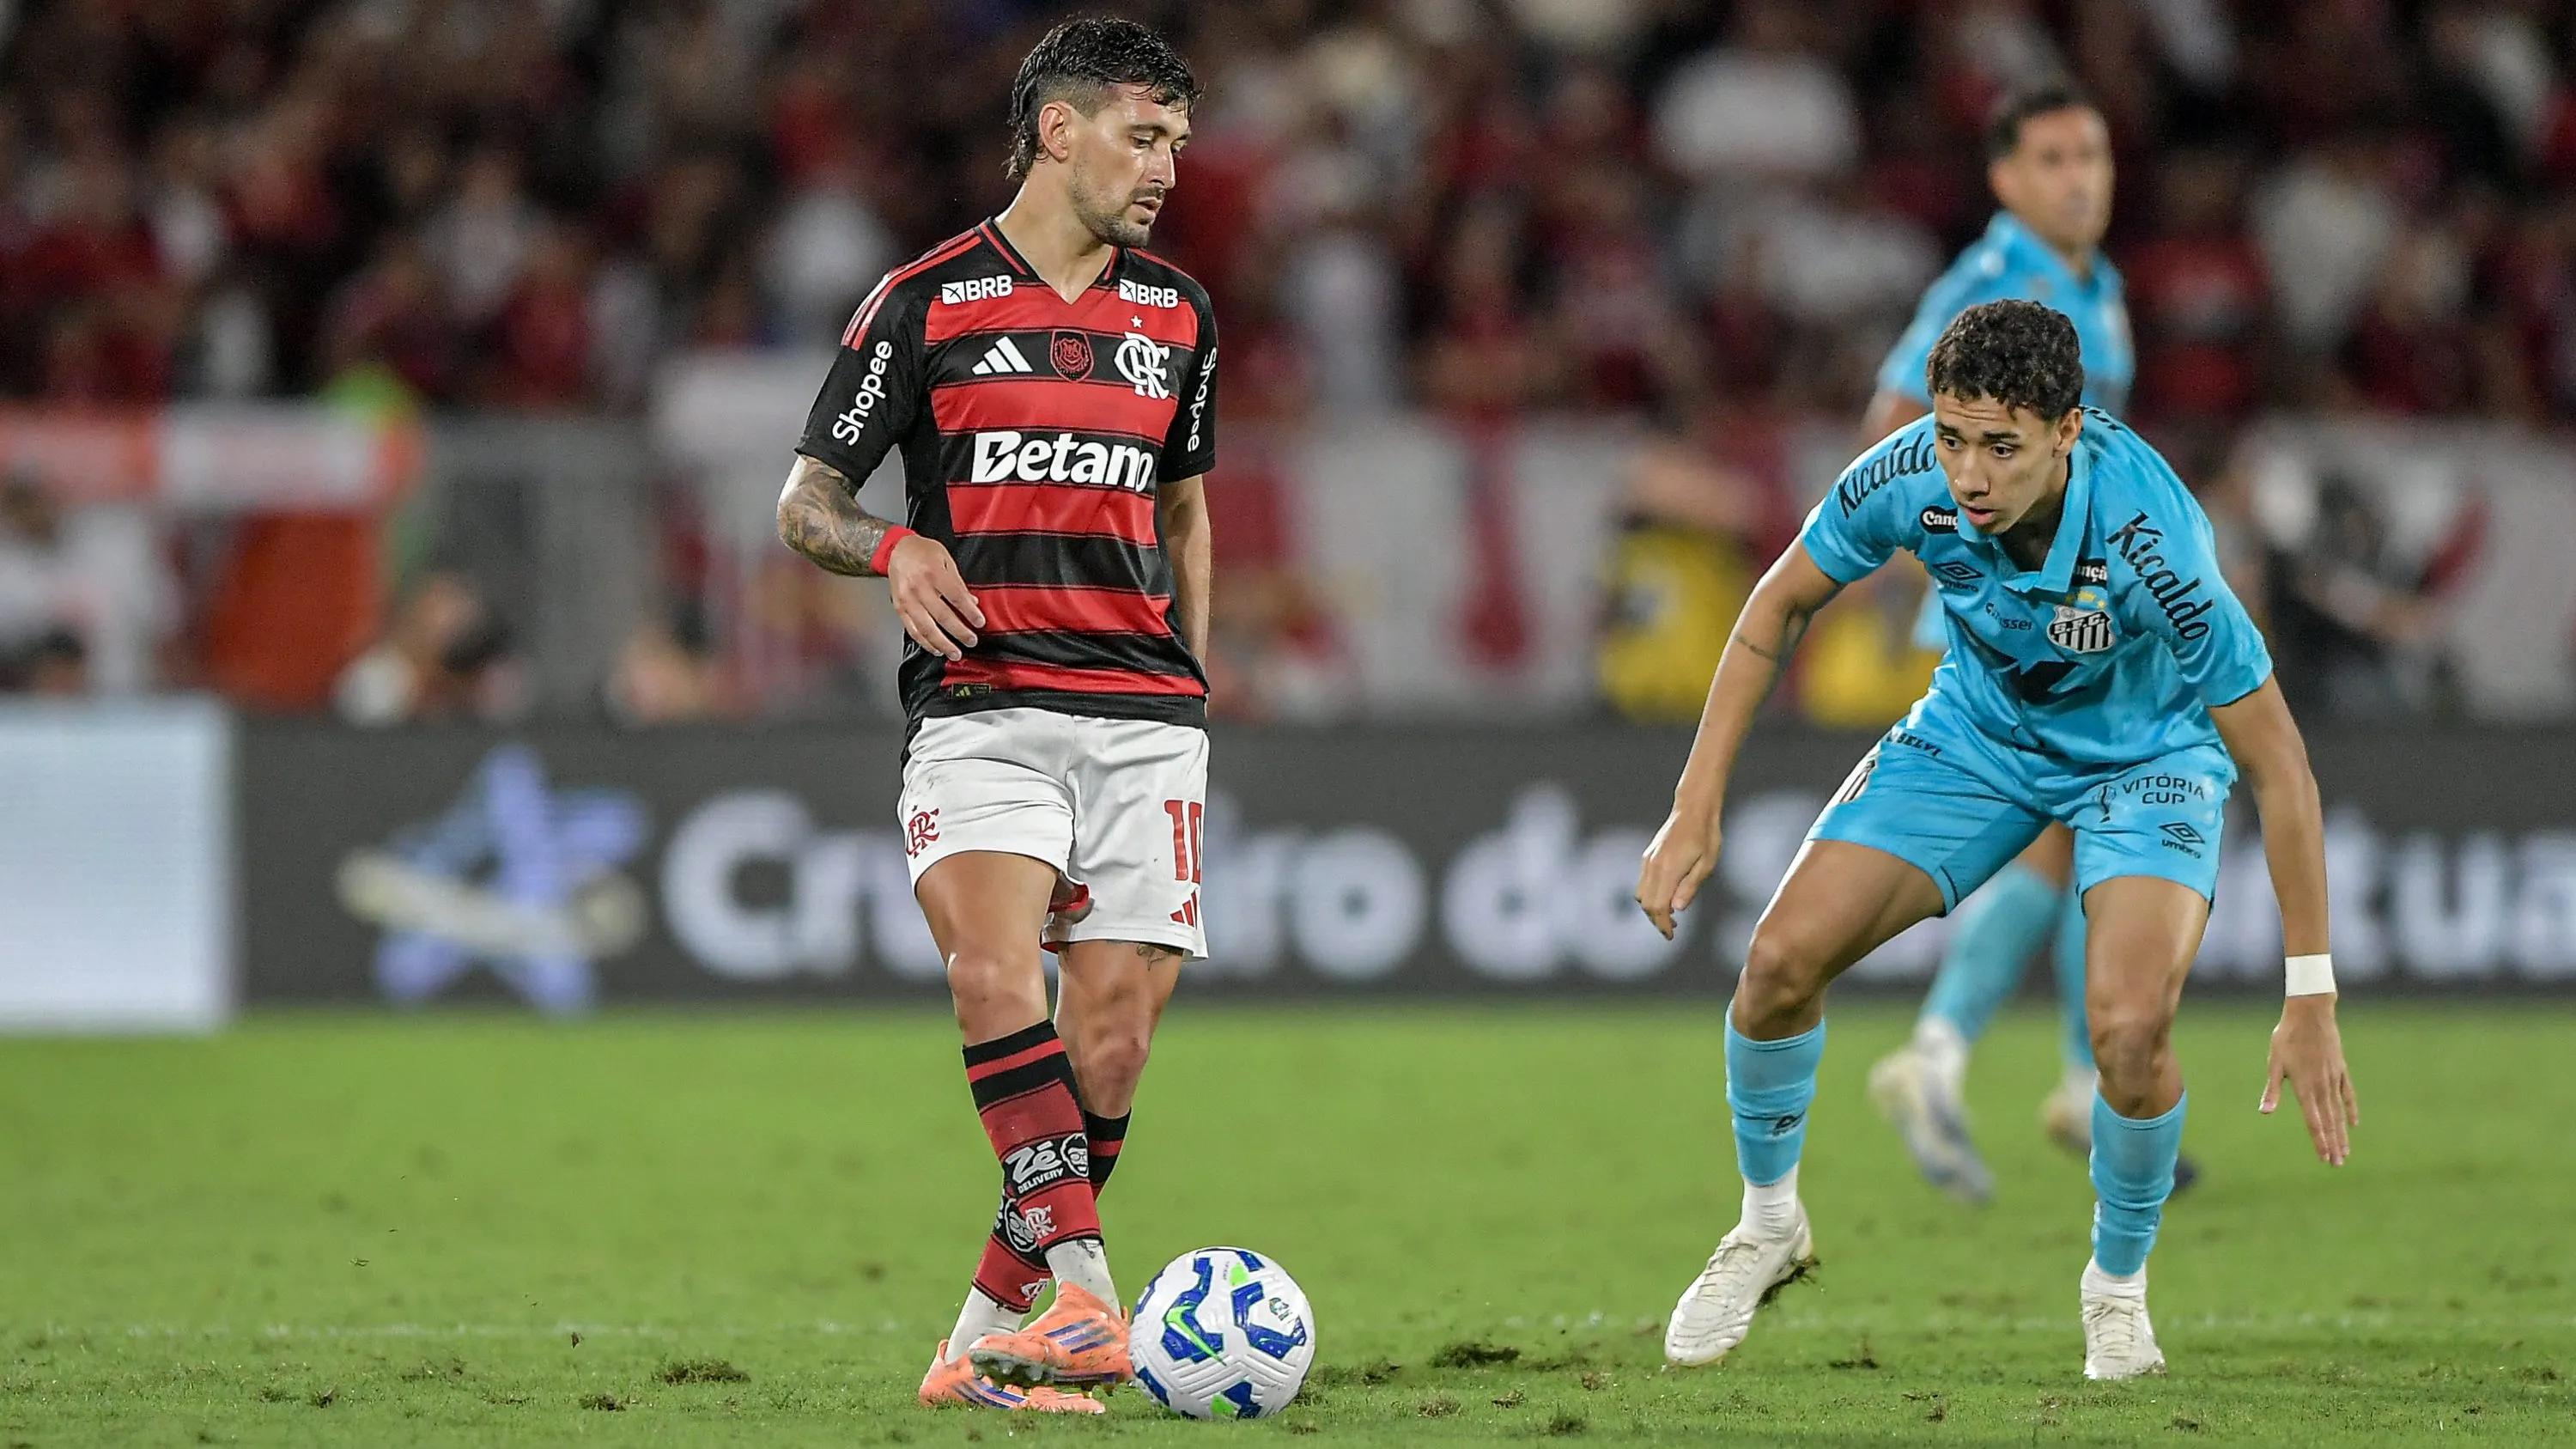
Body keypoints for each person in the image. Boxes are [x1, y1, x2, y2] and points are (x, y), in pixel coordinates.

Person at [1637, 300, 2356, 1380]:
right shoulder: (1908, 478)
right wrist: (1696, 799)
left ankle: (2115, 1290)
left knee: (2125, 1031)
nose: (1969, 475)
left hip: (2147, 760)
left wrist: (2310, 991)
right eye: (1953, 438)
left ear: (2069, 432)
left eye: (2002, 447)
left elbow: (2279, 762)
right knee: (1776, 967)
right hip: (1977, 735)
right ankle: (1768, 1225)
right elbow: (1777, 604)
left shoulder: (2151, 541)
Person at [774, 18, 1214, 1417]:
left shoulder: (1182, 317)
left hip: (1145, 714)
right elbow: (807, 507)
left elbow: (1187, 506)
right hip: (986, 705)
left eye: (1178, 145)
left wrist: (1196, 678)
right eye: (1144, 137)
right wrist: (895, 552)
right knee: (989, 973)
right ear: (1059, 129)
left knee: (1116, 1045)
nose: (1164, 169)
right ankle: (1088, 1296)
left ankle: (977, 1341)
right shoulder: (923, 301)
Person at [1856, 82, 2161, 1202]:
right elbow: (1891, 427)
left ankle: (2066, 1080)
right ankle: (1949, 1055)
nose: (2082, 176)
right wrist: (1968, 557)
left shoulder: (2096, 285)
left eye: (2095, 153)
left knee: (2076, 836)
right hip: (2029, 600)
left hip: (2085, 595)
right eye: (2054, 158)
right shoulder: (1989, 285)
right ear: (2006, 180)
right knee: (2089, 824)